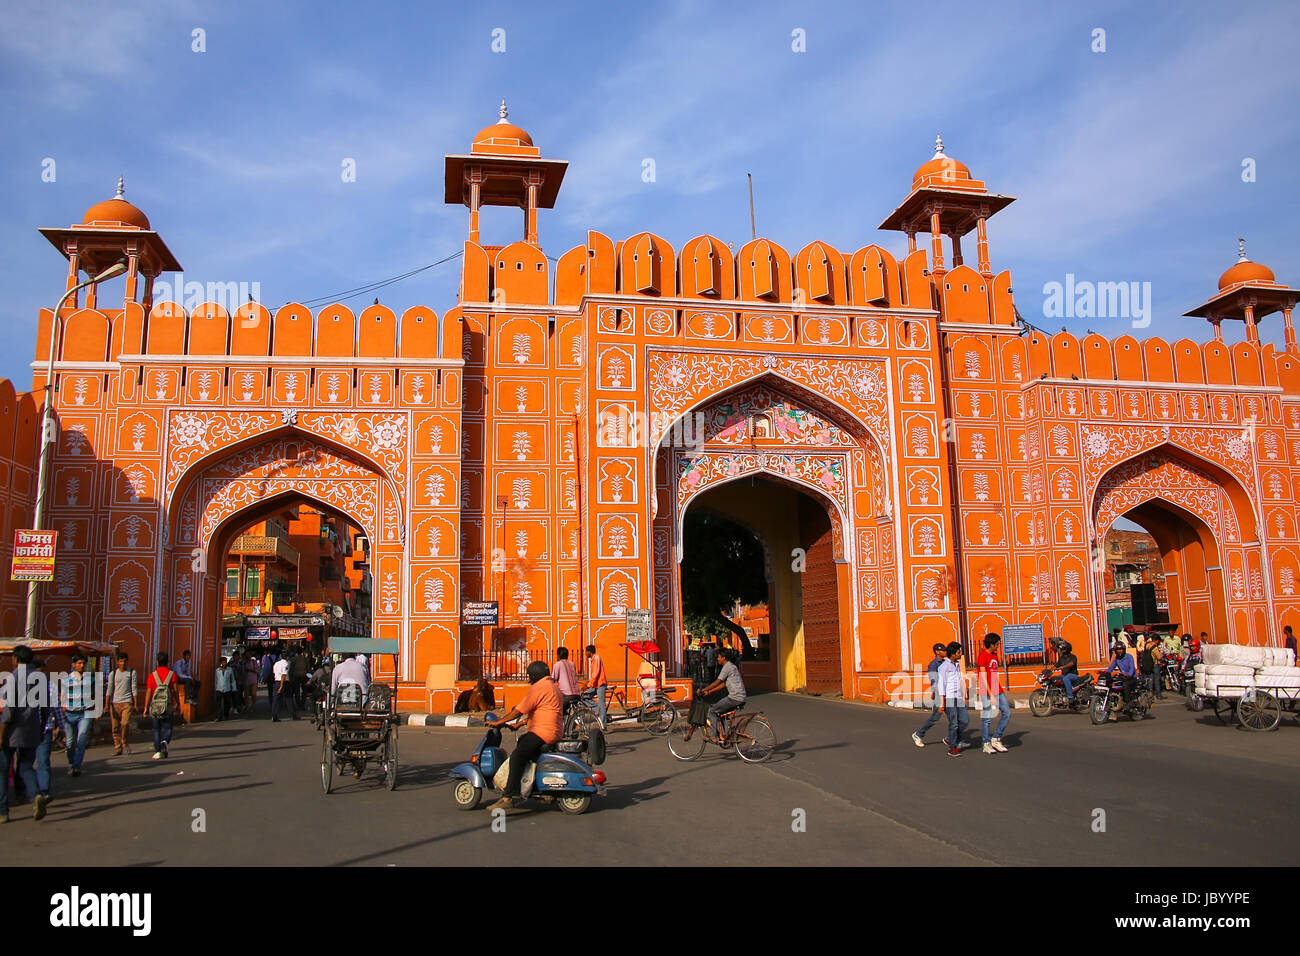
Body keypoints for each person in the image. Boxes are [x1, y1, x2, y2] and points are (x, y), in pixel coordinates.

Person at [485, 660, 563, 812]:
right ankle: (540, 789)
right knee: (525, 745)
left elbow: (519, 710)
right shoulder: (553, 688)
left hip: (542, 732)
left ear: (534, 675)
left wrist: (499, 722)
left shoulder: (539, 687)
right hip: (553, 731)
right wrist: (519, 725)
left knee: (517, 756)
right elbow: (541, 712)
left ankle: (508, 797)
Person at [698, 648, 747, 738]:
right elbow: (723, 684)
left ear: (723, 658)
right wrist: (709, 692)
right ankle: (726, 734)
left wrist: (703, 690)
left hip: (735, 697)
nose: (717, 659)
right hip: (740, 696)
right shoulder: (732, 666)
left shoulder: (727, 667)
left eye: (719, 657)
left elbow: (717, 682)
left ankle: (714, 736)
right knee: (720, 712)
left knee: (712, 711)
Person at [60, 654, 96, 776]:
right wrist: (62, 710)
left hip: (85, 713)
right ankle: (72, 762)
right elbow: (62, 696)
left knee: (81, 740)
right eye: (79, 663)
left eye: (83, 663)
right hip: (69, 714)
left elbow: (95, 694)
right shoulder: (66, 680)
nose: (82, 665)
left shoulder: (90, 679)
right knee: (70, 743)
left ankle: (76, 767)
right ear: (74, 665)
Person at [976, 634, 1010, 754]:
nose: (998, 646)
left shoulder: (995, 655)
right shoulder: (982, 656)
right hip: (986, 691)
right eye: (997, 644)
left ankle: (996, 738)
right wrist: (990, 694)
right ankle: (986, 743)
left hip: (998, 689)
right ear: (992, 644)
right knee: (987, 718)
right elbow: (983, 677)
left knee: (1007, 712)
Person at [912, 643, 948, 748]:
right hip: (939, 694)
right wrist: (938, 695)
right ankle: (918, 734)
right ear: (937, 652)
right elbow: (934, 681)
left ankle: (952, 739)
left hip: (946, 693)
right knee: (935, 717)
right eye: (943, 650)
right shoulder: (933, 664)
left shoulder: (945, 663)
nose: (945, 652)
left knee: (954, 717)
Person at [145, 652, 179, 759]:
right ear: (167, 662)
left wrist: (146, 707)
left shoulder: (152, 676)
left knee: (156, 730)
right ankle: (165, 740)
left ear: (157, 662)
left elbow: (149, 692)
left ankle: (158, 751)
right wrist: (177, 703)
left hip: (155, 707)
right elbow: (175, 691)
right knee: (168, 728)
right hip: (167, 706)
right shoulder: (172, 675)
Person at [938, 642, 968, 757]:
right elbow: (942, 685)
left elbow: (960, 680)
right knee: (954, 723)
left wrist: (964, 695)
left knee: (965, 720)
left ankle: (950, 738)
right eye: (959, 652)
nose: (960, 654)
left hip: (958, 697)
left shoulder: (957, 664)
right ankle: (953, 748)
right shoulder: (944, 667)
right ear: (953, 654)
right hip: (949, 697)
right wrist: (942, 703)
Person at [107, 652, 138, 756]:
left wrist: (135, 703)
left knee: (124, 724)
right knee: (115, 727)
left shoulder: (131, 673)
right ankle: (117, 747)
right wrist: (106, 705)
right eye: (121, 661)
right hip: (115, 702)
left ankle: (124, 741)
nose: (123, 663)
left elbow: (134, 688)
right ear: (117, 662)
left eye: (124, 661)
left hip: (127, 702)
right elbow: (110, 689)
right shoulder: (113, 674)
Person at [1103, 643, 1138, 714]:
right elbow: (1111, 667)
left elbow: (1132, 668)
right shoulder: (1116, 659)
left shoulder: (1129, 657)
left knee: (1125, 685)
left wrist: (1129, 674)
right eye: (1118, 650)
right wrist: (1105, 672)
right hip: (1123, 677)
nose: (1119, 651)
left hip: (1132, 678)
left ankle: (1128, 703)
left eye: (1121, 649)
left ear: (1124, 650)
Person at [582, 644, 609, 728]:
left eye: (586, 652)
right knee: (584, 697)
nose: (585, 653)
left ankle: (603, 724)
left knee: (601, 703)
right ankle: (598, 709)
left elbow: (596, 673)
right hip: (595, 684)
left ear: (589, 652)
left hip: (600, 684)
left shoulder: (596, 658)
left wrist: (588, 685)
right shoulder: (593, 659)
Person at [271, 651, 297, 721]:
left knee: (276, 700)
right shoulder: (286, 664)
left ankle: (274, 715)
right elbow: (283, 675)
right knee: (288, 698)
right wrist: (281, 685)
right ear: (287, 657)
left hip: (276, 681)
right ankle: (293, 714)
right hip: (284, 682)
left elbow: (274, 673)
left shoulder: (276, 663)